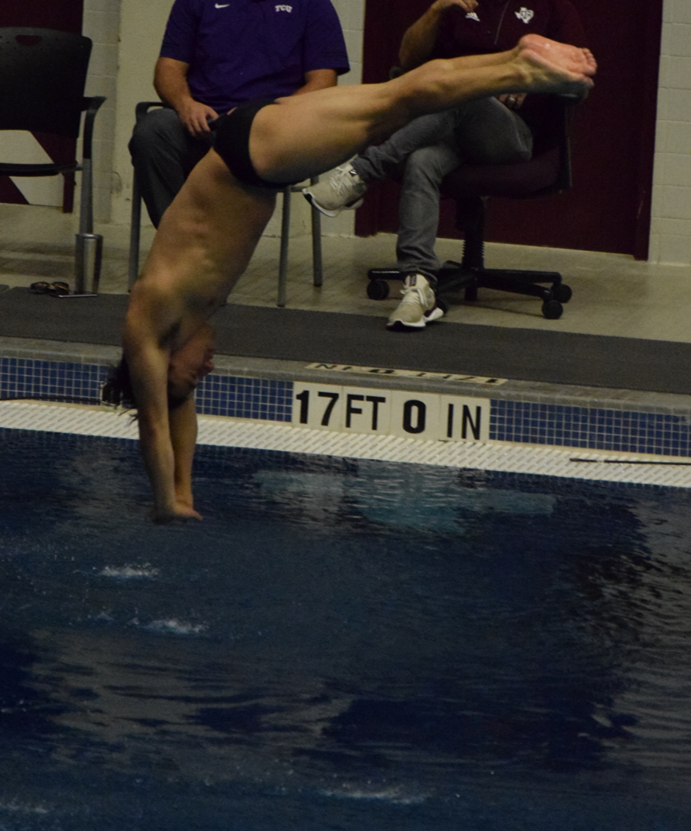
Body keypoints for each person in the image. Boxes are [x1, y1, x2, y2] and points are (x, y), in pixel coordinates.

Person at [109, 34, 595, 523]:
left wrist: (162, 503)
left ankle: (523, 70)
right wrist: (184, 499)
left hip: (253, 155)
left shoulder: (148, 320)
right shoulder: (177, 333)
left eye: (190, 375)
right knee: (394, 106)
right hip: (259, 155)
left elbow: (154, 424)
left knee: (397, 101)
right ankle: (514, 60)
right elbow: (177, 418)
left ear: (160, 365)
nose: (205, 370)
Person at [304, 0, 587, 331]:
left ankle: (364, 172)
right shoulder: (461, 2)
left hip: (514, 138)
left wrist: (527, 79)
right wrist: (437, 10)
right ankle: (419, 287)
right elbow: (407, 59)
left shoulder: (553, 7)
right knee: (422, 159)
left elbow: (579, 79)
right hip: (451, 132)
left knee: (467, 90)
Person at [129, 0, 350, 225]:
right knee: (153, 130)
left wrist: (259, 116)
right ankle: (179, 242)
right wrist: (187, 106)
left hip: (269, 133)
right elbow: (168, 70)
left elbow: (323, 83)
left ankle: (203, 250)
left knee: (238, 157)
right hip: (203, 126)